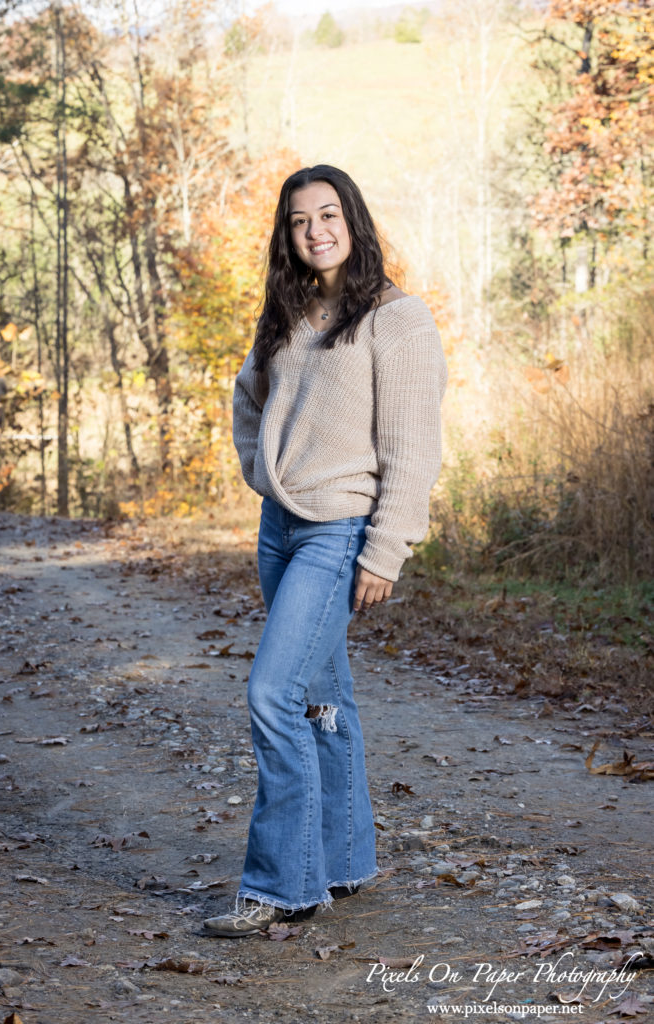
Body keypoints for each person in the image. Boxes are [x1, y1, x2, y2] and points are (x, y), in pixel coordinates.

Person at [203, 165, 447, 938]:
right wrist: (260, 472)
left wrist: (385, 551)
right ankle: (340, 860)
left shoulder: (394, 318)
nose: (315, 230)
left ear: (354, 220)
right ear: (288, 232)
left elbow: (412, 448)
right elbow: (248, 396)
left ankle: (280, 886)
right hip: (279, 528)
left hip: (338, 533)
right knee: (320, 698)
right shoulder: (285, 311)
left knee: (272, 695)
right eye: (300, 219)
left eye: (329, 214)